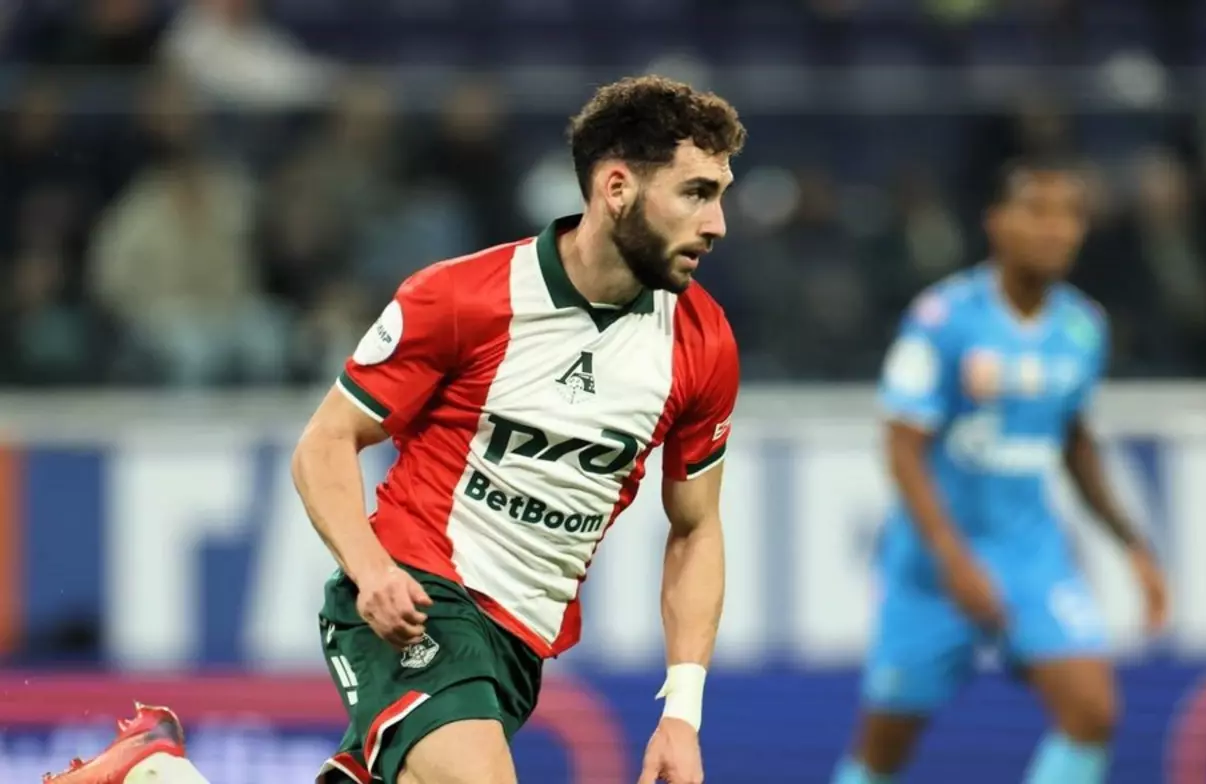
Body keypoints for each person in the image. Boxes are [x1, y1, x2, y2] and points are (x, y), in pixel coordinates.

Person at [46, 74, 747, 784]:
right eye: (696, 193)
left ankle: (152, 773)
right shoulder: (464, 298)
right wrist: (371, 570)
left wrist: (681, 713)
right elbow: (325, 442)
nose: (717, 223)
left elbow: (695, 529)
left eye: (719, 194)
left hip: (518, 649)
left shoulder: (703, 343)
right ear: (617, 187)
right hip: (418, 602)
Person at [832, 157, 1170, 784]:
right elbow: (902, 447)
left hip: (1030, 555)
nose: (1055, 229)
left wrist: (1132, 545)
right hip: (932, 566)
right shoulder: (943, 319)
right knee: (884, 748)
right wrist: (953, 559)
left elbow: (1074, 441)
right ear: (996, 222)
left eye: (1069, 215)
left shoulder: (1082, 327)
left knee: (1092, 712)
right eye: (1037, 211)